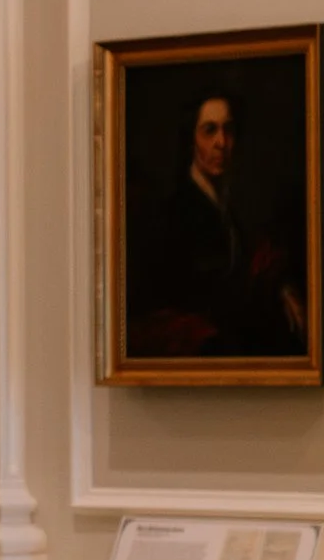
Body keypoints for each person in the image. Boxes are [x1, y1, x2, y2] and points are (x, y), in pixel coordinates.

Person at [128, 89, 307, 359]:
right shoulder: (177, 211)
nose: (221, 142)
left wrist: (281, 286)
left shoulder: (229, 210)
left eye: (229, 130)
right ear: (191, 140)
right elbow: (210, 298)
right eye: (209, 131)